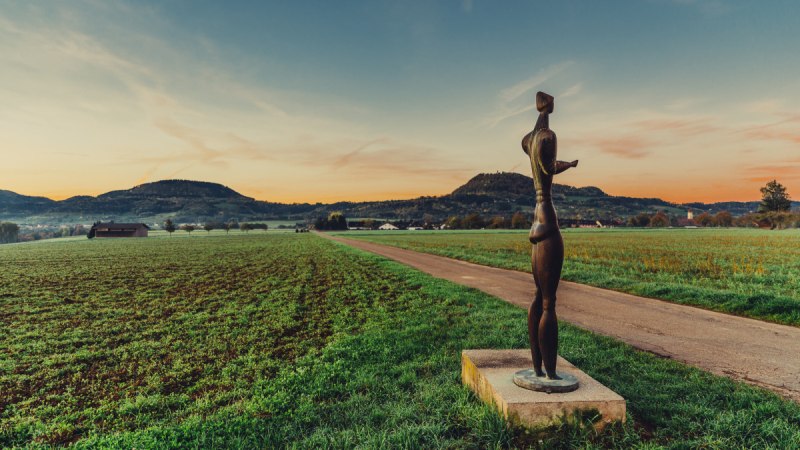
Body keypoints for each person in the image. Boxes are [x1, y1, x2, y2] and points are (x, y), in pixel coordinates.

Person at [521, 91, 578, 379]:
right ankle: (551, 373)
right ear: (550, 106)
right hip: (548, 216)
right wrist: (570, 164)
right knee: (548, 302)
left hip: (535, 216)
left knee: (537, 295)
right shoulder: (548, 136)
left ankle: (537, 366)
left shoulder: (528, 139)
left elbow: (534, 158)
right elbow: (549, 166)